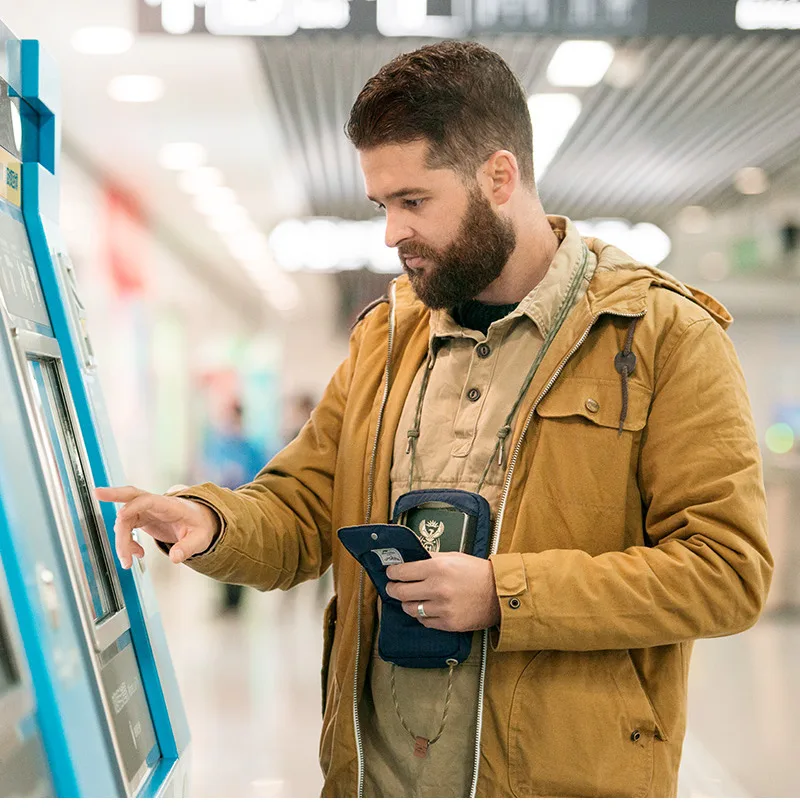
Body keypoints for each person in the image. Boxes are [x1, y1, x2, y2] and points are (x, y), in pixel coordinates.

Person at [97, 41, 772, 798]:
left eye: (413, 202)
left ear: (499, 175)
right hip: (377, 780)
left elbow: (727, 572)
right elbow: (304, 508)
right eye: (382, 205)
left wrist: (503, 593)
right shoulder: (387, 338)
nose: (390, 234)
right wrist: (209, 520)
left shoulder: (663, 337)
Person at [200, 399, 264, 614]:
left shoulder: (251, 447)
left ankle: (237, 602)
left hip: (242, 505)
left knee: (240, 553)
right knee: (217, 551)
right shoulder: (219, 445)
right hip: (218, 506)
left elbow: (261, 476)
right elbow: (209, 470)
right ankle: (224, 600)